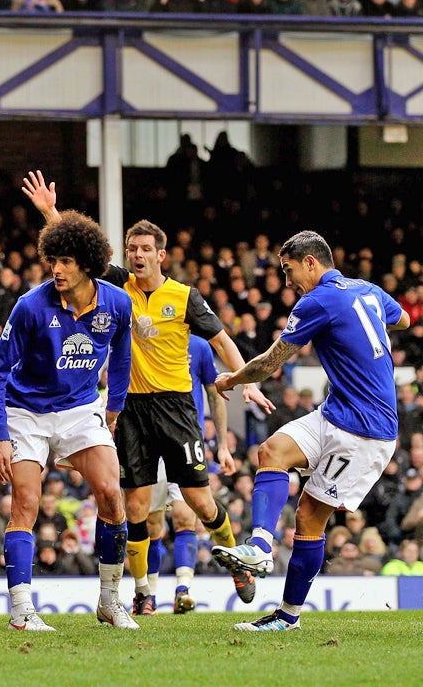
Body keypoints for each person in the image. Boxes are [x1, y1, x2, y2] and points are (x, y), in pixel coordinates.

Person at [23, 171, 275, 617]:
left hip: (176, 408)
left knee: (199, 500)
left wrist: (246, 378)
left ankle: (239, 562)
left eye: (145, 250)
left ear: (161, 255)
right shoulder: (117, 284)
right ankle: (141, 591)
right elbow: (78, 253)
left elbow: (221, 341)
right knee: (135, 505)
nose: (136, 255)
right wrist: (49, 211)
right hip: (132, 407)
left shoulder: (185, 297)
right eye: (131, 249)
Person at [211, 230, 409, 632]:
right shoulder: (367, 289)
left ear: (311, 263)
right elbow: (402, 319)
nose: (287, 282)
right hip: (335, 412)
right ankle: (261, 547)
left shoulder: (317, 299)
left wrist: (230, 381)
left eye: (288, 271)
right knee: (270, 451)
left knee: (308, 518)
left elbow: (269, 364)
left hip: (366, 430)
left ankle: (288, 617)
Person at [0, 210, 136, 631]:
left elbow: (122, 355)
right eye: (53, 259)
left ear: (87, 263)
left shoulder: (116, 302)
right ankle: (21, 611)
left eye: (67, 260)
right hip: (24, 411)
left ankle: (109, 601)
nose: (57, 268)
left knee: (110, 493)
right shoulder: (30, 306)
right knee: (27, 504)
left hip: (80, 407)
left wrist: (114, 406)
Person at [145, 335, 235, 615]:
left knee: (186, 517)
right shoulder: (146, 339)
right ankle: (147, 595)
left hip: (188, 443)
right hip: (150, 443)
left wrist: (222, 445)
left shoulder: (198, 346)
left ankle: (183, 591)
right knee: (152, 524)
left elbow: (214, 394)